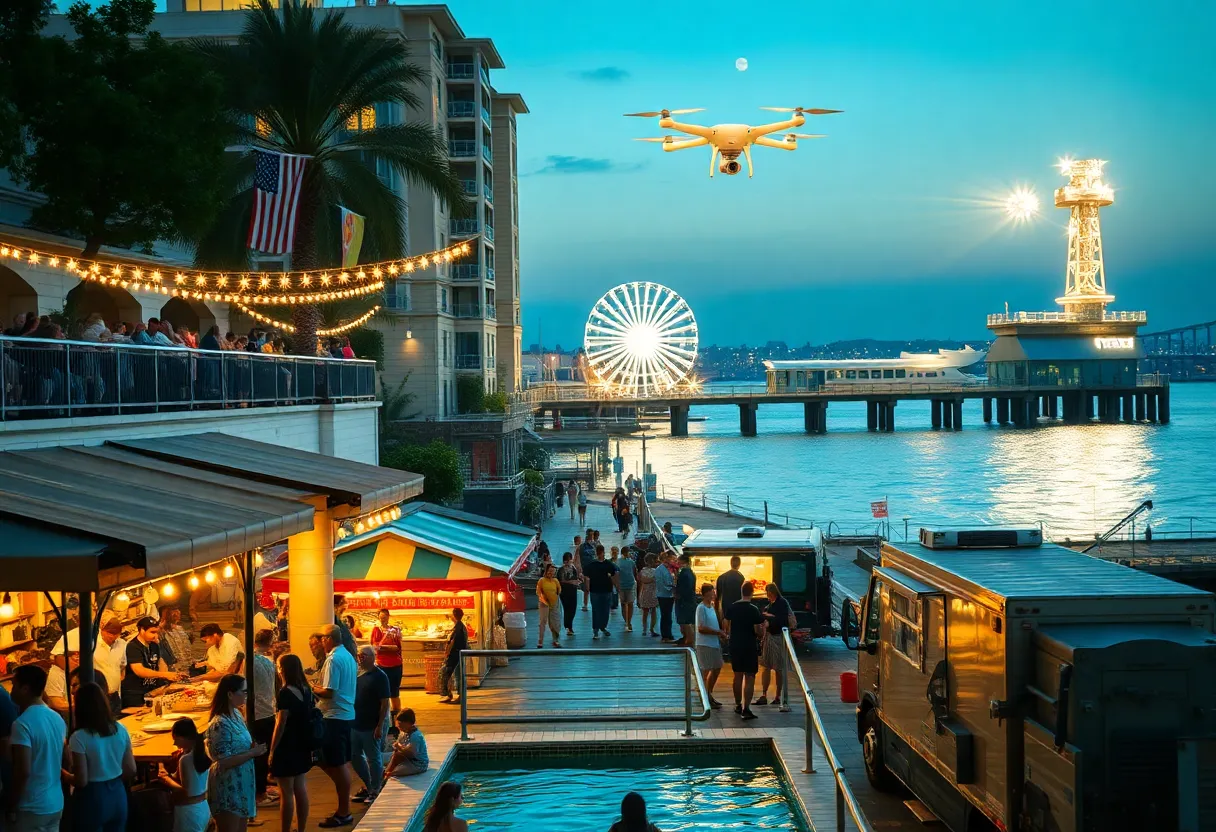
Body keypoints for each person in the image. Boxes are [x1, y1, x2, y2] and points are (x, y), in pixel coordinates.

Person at [67, 682, 135, 832]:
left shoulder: (79, 737)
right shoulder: (120, 729)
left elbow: (81, 780)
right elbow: (131, 769)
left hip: (92, 798)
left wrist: (62, 773)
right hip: (118, 793)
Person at [7, 666, 68, 832]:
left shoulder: (22, 724)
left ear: (25, 689)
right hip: (55, 803)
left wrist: (11, 804)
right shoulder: (57, 718)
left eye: (14, 685)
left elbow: (23, 771)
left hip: (31, 806)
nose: (11, 691)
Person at [311, 624, 358, 828]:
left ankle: (344, 811)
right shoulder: (347, 656)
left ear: (328, 639)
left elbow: (329, 692)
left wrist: (311, 687)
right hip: (344, 715)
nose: (320, 643)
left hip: (334, 716)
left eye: (322, 638)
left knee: (336, 764)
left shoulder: (333, 659)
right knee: (334, 762)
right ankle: (343, 807)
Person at [206, 675, 266, 832]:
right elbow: (223, 761)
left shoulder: (237, 714)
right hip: (227, 785)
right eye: (243, 691)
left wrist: (252, 747)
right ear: (230, 694)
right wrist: (252, 753)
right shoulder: (219, 723)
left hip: (242, 782)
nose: (246, 695)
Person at [268, 655, 315, 832]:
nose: (278, 670)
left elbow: (281, 723)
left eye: (279, 667)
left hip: (287, 745)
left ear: (284, 669)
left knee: (286, 792)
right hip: (302, 743)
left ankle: (285, 830)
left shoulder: (285, 692)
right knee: (300, 788)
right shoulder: (306, 689)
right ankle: (301, 828)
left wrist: (272, 750)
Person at [351, 647, 391, 805]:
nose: (360, 658)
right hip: (355, 723)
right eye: (359, 655)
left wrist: (380, 726)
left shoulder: (380, 676)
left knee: (373, 758)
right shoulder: (357, 674)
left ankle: (375, 788)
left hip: (371, 724)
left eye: (364, 655)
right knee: (355, 755)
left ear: (373, 657)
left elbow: (385, 703)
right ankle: (368, 785)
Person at [160, 718, 212, 832]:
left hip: (189, 813)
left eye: (176, 739)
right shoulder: (203, 749)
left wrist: (165, 778)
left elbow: (185, 791)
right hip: (203, 807)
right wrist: (170, 775)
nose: (174, 743)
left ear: (185, 737)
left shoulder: (186, 759)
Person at [122, 616, 183, 708]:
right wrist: (164, 674)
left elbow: (160, 663)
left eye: (156, 632)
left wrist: (172, 675)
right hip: (135, 694)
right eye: (152, 632)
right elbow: (139, 670)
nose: (155, 636)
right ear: (142, 630)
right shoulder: (132, 647)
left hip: (152, 691)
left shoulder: (154, 645)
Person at [248, 629, 278, 807]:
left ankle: (261, 790)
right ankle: (259, 794)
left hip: (259, 712)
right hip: (264, 712)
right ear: (271, 641)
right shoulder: (264, 661)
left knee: (260, 753)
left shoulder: (256, 660)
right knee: (261, 754)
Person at [725, 582, 764, 721]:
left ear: (741, 591)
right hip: (749, 645)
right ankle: (746, 708)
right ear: (752, 592)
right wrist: (760, 634)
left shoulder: (732, 607)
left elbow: (726, 625)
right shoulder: (753, 609)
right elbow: (758, 630)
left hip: (735, 644)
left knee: (737, 675)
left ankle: (737, 704)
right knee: (749, 676)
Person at [756, 583, 793, 707]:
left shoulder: (781, 603)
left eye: (768, 594)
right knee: (767, 666)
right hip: (770, 637)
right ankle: (765, 694)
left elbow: (782, 621)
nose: (768, 596)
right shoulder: (773, 603)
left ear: (772, 593)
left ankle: (776, 695)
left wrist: (770, 618)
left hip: (777, 637)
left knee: (777, 668)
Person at [694, 585, 725, 709]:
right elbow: (701, 628)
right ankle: (705, 695)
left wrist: (720, 633)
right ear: (706, 593)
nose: (714, 594)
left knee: (717, 667)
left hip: (714, 643)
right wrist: (717, 632)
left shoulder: (712, 607)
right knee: (706, 669)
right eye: (712, 591)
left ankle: (708, 693)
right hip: (704, 643)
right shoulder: (701, 608)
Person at [370, 608, 403, 713]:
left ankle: (397, 714)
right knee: (381, 691)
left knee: (394, 691)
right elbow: (374, 646)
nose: (382, 620)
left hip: (396, 665)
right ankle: (384, 714)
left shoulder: (395, 630)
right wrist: (389, 647)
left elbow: (397, 647)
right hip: (381, 664)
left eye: (384, 617)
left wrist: (383, 647)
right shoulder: (376, 630)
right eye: (380, 618)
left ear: (388, 617)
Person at [585, 544, 620, 640]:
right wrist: (587, 587)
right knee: (596, 610)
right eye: (599, 553)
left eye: (601, 553)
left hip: (606, 590)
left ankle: (602, 626)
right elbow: (587, 577)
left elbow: (614, 574)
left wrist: (616, 586)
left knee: (605, 610)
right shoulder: (592, 565)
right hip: (595, 591)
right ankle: (596, 630)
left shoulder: (608, 564)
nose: (600, 555)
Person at [383, 709, 428, 777]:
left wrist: (399, 747)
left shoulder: (415, 736)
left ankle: (387, 773)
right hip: (406, 759)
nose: (399, 727)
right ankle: (387, 771)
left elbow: (411, 754)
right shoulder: (403, 732)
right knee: (392, 757)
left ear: (409, 723)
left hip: (418, 764)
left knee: (393, 772)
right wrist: (397, 748)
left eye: (400, 724)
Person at [437, 609, 468, 705]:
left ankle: (456, 695)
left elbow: (452, 643)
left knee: (448, 674)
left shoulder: (459, 628)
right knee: (451, 675)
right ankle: (449, 694)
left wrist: (447, 654)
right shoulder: (460, 627)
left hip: (455, 656)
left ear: (454, 615)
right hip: (456, 655)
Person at [715, 556, 747, 637]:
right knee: (735, 628)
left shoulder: (722, 577)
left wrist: (716, 607)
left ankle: (725, 640)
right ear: (739, 564)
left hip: (724, 605)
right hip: (737, 605)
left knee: (725, 626)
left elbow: (717, 595)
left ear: (730, 563)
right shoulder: (741, 577)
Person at [535, 563, 562, 648]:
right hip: (544, 603)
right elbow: (538, 592)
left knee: (555, 622)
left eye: (553, 572)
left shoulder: (555, 581)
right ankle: (540, 641)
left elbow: (559, 590)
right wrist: (544, 598)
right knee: (543, 622)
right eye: (550, 571)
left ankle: (555, 640)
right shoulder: (542, 580)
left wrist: (556, 595)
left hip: (554, 603)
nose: (551, 573)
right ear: (546, 571)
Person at [159, 608, 193, 674]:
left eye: (178, 614)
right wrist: (161, 627)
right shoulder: (163, 630)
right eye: (174, 615)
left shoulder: (180, 628)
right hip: (174, 664)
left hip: (186, 663)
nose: (177, 616)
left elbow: (185, 645)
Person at [556, 552, 581, 637]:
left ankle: (569, 625)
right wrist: (571, 582)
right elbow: (561, 581)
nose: (568, 562)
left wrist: (578, 581)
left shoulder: (573, 568)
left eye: (569, 560)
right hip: (564, 592)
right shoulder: (561, 570)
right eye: (566, 561)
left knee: (573, 608)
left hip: (573, 590)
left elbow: (576, 577)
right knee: (567, 609)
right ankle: (568, 627)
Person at [655, 553, 676, 643]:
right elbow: (660, 583)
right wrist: (671, 587)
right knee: (665, 615)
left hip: (670, 595)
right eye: (671, 559)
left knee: (669, 615)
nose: (672, 561)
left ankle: (669, 633)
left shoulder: (671, 569)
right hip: (663, 595)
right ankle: (665, 634)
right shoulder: (659, 569)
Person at [637, 553, 659, 637]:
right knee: (653, 611)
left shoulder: (642, 571)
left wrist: (638, 596)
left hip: (645, 592)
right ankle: (652, 629)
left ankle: (644, 629)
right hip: (653, 593)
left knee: (645, 612)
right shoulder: (656, 571)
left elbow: (641, 582)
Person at [616, 548, 638, 631]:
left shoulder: (631, 562)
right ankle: (627, 621)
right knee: (625, 604)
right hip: (623, 585)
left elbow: (634, 571)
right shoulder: (619, 562)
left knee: (629, 603)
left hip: (629, 584)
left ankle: (628, 622)